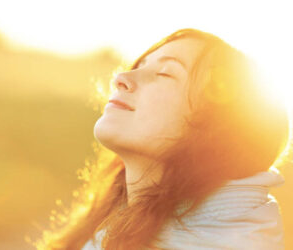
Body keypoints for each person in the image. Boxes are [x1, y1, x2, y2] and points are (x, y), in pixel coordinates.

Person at [36, 28, 290, 250]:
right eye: (139, 66)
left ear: (217, 129)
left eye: (165, 74)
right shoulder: (116, 219)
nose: (120, 78)